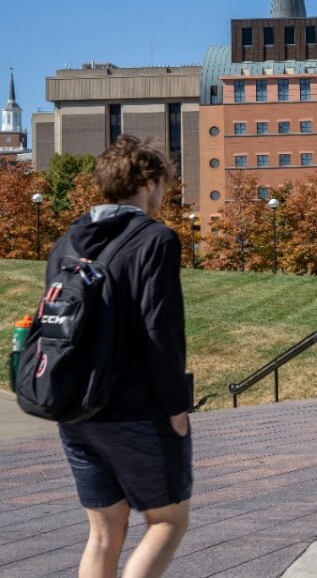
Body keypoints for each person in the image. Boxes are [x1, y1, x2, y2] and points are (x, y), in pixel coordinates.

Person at [50, 135, 191, 578]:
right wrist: (176, 406)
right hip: (134, 408)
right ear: (148, 182)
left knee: (103, 532)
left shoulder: (68, 241)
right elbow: (160, 330)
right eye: (163, 183)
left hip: (75, 406)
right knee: (167, 521)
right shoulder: (156, 240)